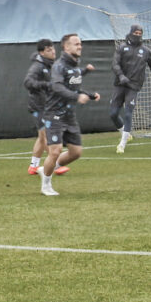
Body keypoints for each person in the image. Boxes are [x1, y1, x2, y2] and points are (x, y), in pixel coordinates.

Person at [39, 33, 100, 196]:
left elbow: (74, 89)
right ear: (66, 47)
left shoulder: (75, 67)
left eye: (80, 44)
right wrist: (76, 97)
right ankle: (46, 185)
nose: (80, 46)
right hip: (54, 114)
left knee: (76, 152)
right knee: (55, 151)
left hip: (69, 115)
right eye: (76, 44)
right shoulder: (59, 66)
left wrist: (90, 95)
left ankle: (45, 169)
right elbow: (57, 87)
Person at [109, 24, 151, 153]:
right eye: (135, 33)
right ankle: (125, 133)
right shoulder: (122, 47)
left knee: (128, 113)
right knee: (113, 114)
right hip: (120, 84)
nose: (137, 35)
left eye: (139, 33)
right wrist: (121, 76)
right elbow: (115, 63)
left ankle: (122, 144)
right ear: (131, 33)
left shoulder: (146, 50)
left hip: (134, 86)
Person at [22, 38, 55, 175]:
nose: (53, 51)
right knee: (45, 135)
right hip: (38, 106)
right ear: (42, 52)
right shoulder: (37, 66)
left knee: (41, 138)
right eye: (49, 50)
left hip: (46, 105)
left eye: (53, 48)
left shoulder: (50, 65)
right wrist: (44, 85)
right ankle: (56, 162)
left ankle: (33, 166)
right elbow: (28, 82)